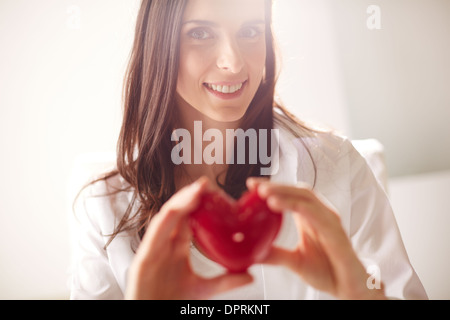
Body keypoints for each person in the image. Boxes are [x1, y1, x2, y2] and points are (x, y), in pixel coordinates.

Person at [69, 0, 428, 300]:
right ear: (157, 45)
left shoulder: (341, 167)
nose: (234, 62)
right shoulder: (102, 209)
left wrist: (361, 294)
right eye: (200, 33)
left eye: (251, 31)